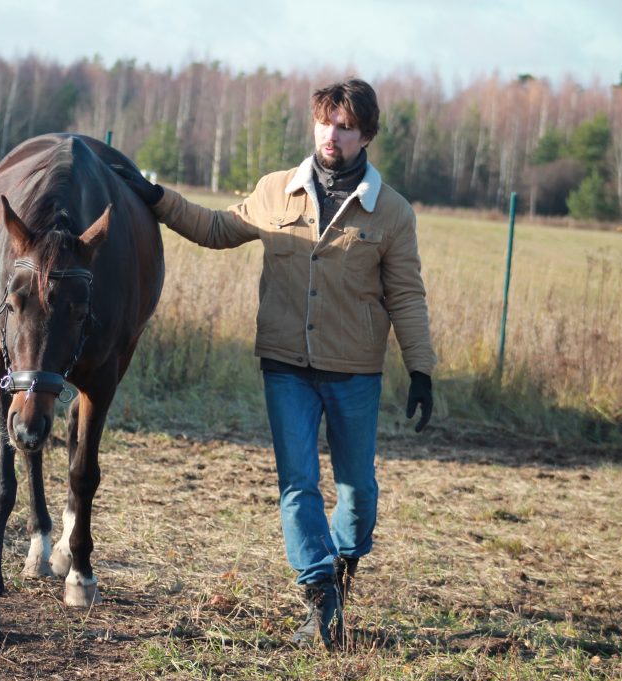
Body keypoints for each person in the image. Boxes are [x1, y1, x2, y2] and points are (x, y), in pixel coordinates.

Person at [113, 78, 435, 650]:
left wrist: (422, 369)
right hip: (285, 365)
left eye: (345, 126)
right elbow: (215, 228)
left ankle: (342, 562)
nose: (331, 135)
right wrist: (154, 195)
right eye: (325, 122)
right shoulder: (275, 192)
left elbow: (407, 295)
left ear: (366, 135)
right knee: (297, 485)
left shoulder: (391, 213)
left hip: (355, 370)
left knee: (358, 494)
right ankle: (320, 597)